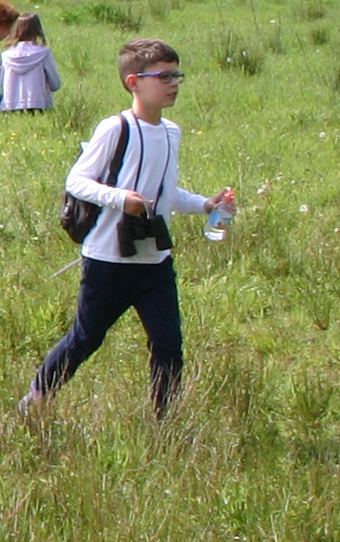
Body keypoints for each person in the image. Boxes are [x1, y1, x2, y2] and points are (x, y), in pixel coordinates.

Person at [22, 38, 236, 418]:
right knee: (86, 339)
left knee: (168, 345)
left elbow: (167, 193)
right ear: (134, 82)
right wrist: (122, 199)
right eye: (164, 76)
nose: (173, 84)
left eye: (177, 76)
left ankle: (164, 422)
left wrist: (207, 205)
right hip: (108, 261)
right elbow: (78, 181)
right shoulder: (115, 128)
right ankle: (36, 399)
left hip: (155, 263)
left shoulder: (171, 132)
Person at [0, 12, 60, 114]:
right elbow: (55, 84)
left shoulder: (6, 55)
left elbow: (2, 83)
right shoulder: (43, 53)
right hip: (40, 107)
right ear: (38, 30)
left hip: (10, 106)